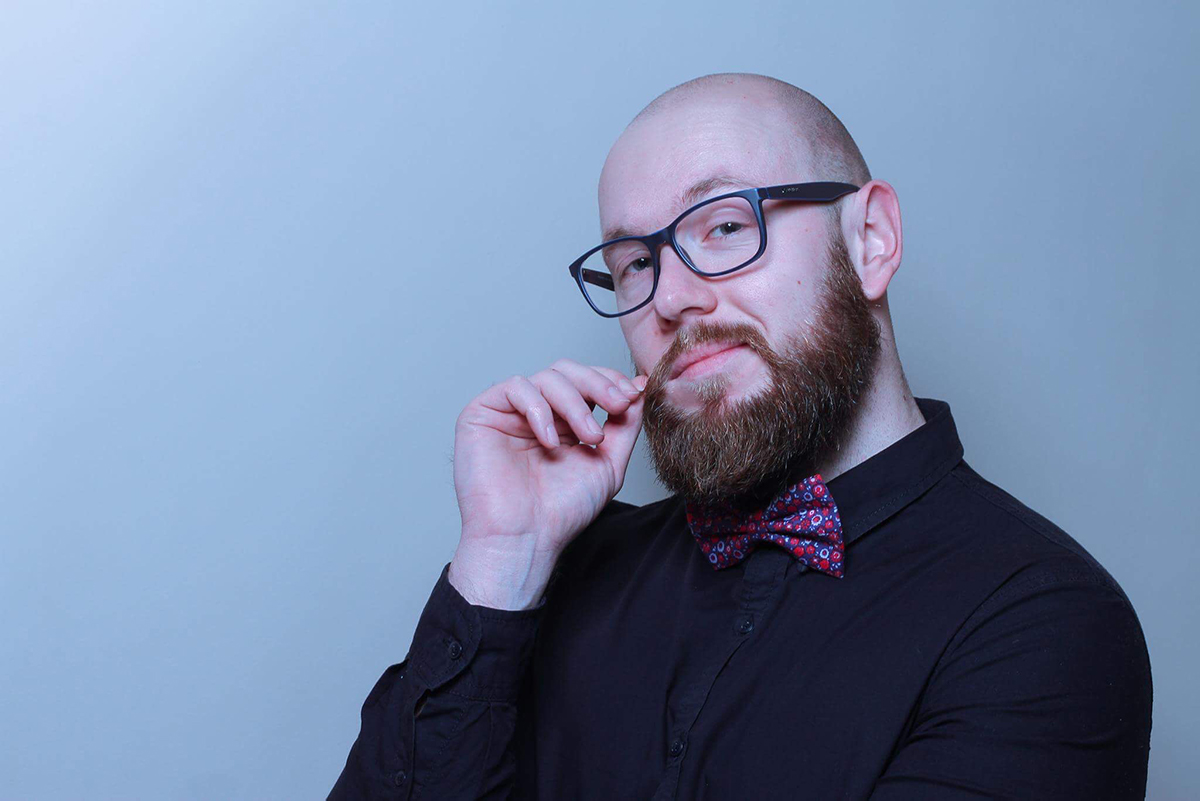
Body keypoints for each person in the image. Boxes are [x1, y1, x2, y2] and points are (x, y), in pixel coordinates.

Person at [329, 73, 1152, 800]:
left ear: (871, 240)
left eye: (724, 226)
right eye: (634, 263)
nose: (670, 299)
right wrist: (501, 561)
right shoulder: (560, 571)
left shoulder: (1043, 621)